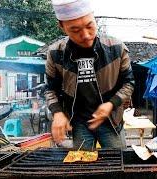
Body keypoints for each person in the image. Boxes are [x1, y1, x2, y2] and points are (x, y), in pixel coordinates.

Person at [45, 0, 135, 149]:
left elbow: (129, 83)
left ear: (94, 18)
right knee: (83, 164)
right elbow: (50, 89)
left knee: (116, 162)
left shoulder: (116, 49)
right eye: (75, 30)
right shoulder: (56, 53)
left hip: (111, 120)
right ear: (61, 26)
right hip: (79, 122)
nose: (86, 35)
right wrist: (57, 113)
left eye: (89, 26)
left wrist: (111, 104)